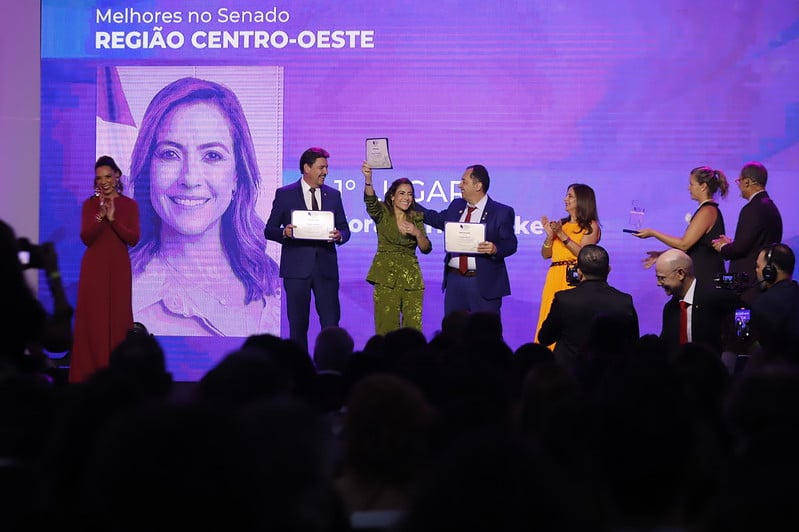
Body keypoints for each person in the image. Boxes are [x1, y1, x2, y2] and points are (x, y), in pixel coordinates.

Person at [129, 76, 281, 336]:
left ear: (236, 175)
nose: (189, 178)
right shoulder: (122, 292)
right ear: (148, 170)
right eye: (169, 154)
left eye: (212, 155)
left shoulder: (275, 280)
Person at [264, 147, 351, 352]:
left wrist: (340, 236)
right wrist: (284, 233)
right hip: (296, 270)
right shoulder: (285, 194)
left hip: (326, 270)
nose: (326, 172)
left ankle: (332, 368)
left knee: (331, 325)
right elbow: (269, 230)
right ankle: (299, 370)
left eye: (327, 168)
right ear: (307, 168)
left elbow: (345, 229)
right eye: (321, 167)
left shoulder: (333, 195)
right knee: (298, 325)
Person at [69, 156, 140, 383]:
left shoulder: (129, 205)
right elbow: (86, 237)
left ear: (117, 176)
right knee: (94, 320)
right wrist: (101, 215)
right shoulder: (90, 205)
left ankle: (117, 374)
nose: (104, 182)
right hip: (94, 268)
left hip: (119, 269)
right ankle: (91, 374)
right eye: (99, 178)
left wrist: (114, 219)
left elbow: (133, 238)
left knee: (118, 319)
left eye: (108, 176)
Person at [416, 164, 517, 316]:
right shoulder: (456, 205)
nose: (459, 185)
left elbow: (510, 244)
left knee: (485, 334)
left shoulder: (501, 212)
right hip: (455, 281)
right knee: (453, 332)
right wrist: (410, 204)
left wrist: (495, 248)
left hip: (483, 283)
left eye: (464, 181)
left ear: (478, 185)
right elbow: (437, 219)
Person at [538, 244, 639, 373]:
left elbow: (545, 338)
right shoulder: (624, 301)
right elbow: (633, 343)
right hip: (610, 379)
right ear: (608, 269)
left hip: (569, 379)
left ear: (578, 271)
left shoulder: (564, 299)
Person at [361, 163, 432, 335]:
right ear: (392, 196)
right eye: (402, 193)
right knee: (386, 328)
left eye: (410, 194)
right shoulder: (383, 213)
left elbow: (426, 248)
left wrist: (417, 233)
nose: (406, 198)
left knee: (413, 330)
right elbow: (371, 202)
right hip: (386, 276)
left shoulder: (416, 217)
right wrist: (368, 179)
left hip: (411, 279)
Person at [634, 166, 728, 289]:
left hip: (707, 279)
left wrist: (653, 233)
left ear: (703, 186)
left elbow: (684, 244)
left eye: (692, 184)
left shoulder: (707, 211)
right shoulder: (706, 210)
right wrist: (660, 255)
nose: (689, 188)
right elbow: (690, 246)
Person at [535, 183, 601, 346]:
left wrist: (562, 235)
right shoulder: (561, 224)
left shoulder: (590, 226)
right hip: (554, 277)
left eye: (570, 196)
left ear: (582, 200)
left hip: (574, 277)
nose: (565, 199)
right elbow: (546, 254)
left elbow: (585, 255)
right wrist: (550, 236)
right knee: (549, 317)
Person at [712, 162, 783, 297]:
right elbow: (754, 242)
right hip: (763, 280)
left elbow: (741, 248)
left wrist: (722, 247)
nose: (738, 186)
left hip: (749, 285)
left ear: (747, 182)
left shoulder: (752, 209)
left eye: (739, 181)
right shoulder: (770, 206)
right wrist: (731, 243)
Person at [654, 248, 739, 356]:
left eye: (662, 278)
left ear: (680, 274)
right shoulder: (670, 309)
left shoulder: (715, 297)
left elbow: (746, 321)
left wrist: (730, 355)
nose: (658, 283)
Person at [749, 243, 799, 360]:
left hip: (777, 373)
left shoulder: (764, 303)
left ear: (769, 271)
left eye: (758, 266)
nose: (756, 270)